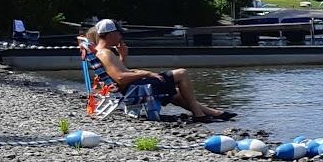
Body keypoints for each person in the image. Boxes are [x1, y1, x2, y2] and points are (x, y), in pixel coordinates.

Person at [88, 24, 233, 121]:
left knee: (175, 93)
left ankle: (213, 113)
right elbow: (120, 78)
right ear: (111, 34)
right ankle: (199, 114)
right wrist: (146, 74)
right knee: (182, 73)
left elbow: (118, 74)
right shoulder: (106, 54)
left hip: (133, 87)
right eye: (119, 34)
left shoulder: (104, 52)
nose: (121, 37)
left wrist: (122, 57)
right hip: (135, 88)